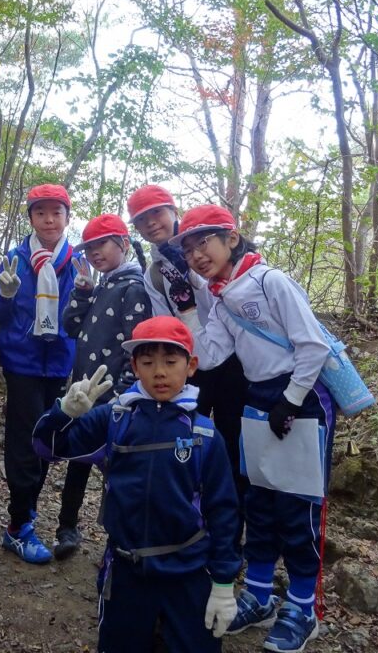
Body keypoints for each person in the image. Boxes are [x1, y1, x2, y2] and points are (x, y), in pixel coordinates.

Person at [173, 204, 334, 653]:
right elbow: (211, 356)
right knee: (259, 503)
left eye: (204, 242)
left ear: (231, 237)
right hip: (258, 399)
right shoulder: (222, 297)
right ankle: (260, 595)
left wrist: (292, 399)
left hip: (301, 399)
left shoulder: (270, 281)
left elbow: (313, 345)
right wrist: (188, 310)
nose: (197, 255)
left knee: (299, 508)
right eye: (188, 249)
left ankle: (303, 608)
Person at [32, 316, 241, 653]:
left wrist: (223, 582)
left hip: (189, 571)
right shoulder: (115, 418)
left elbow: (224, 511)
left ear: (191, 366)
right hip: (127, 570)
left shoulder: (204, 434)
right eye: (147, 362)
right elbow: (46, 448)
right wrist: (64, 413)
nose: (159, 372)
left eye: (170, 362)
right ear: (134, 366)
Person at [126, 184, 249, 551]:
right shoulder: (154, 273)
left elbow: (227, 296)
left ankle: (229, 540)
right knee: (186, 445)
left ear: (173, 211)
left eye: (157, 213)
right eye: (142, 220)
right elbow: (165, 325)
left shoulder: (207, 247)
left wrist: (192, 279)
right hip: (193, 367)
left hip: (234, 364)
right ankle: (188, 527)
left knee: (231, 449)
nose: (151, 223)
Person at [0, 183, 79, 564]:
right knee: (24, 441)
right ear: (31, 218)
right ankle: (19, 525)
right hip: (21, 361)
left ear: (67, 218)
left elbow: (82, 317)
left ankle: (26, 510)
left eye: (56, 212)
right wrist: (5, 294)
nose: (49, 220)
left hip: (58, 362)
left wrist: (87, 295)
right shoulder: (16, 258)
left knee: (46, 441)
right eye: (41, 213)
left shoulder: (77, 260)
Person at [55, 213, 151, 560]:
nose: (95, 253)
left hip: (114, 398)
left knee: (117, 468)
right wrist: (82, 292)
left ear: (123, 244)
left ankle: (120, 538)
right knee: (78, 461)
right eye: (90, 247)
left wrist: (124, 394)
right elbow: (70, 326)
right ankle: (67, 527)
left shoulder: (133, 287)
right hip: (85, 394)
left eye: (102, 245)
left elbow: (136, 347)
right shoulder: (102, 286)